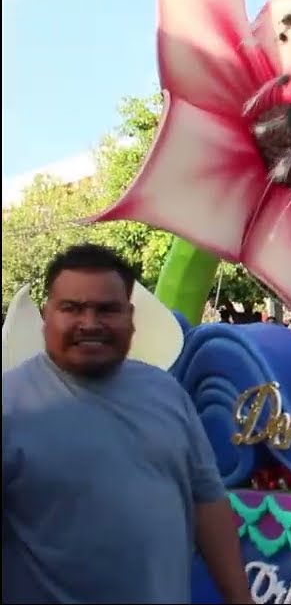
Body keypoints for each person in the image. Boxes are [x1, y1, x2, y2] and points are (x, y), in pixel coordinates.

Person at [2, 244, 251, 604]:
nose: (89, 323)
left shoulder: (166, 391)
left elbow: (207, 502)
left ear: (130, 316)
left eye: (107, 309)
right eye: (72, 308)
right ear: (47, 315)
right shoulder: (10, 405)